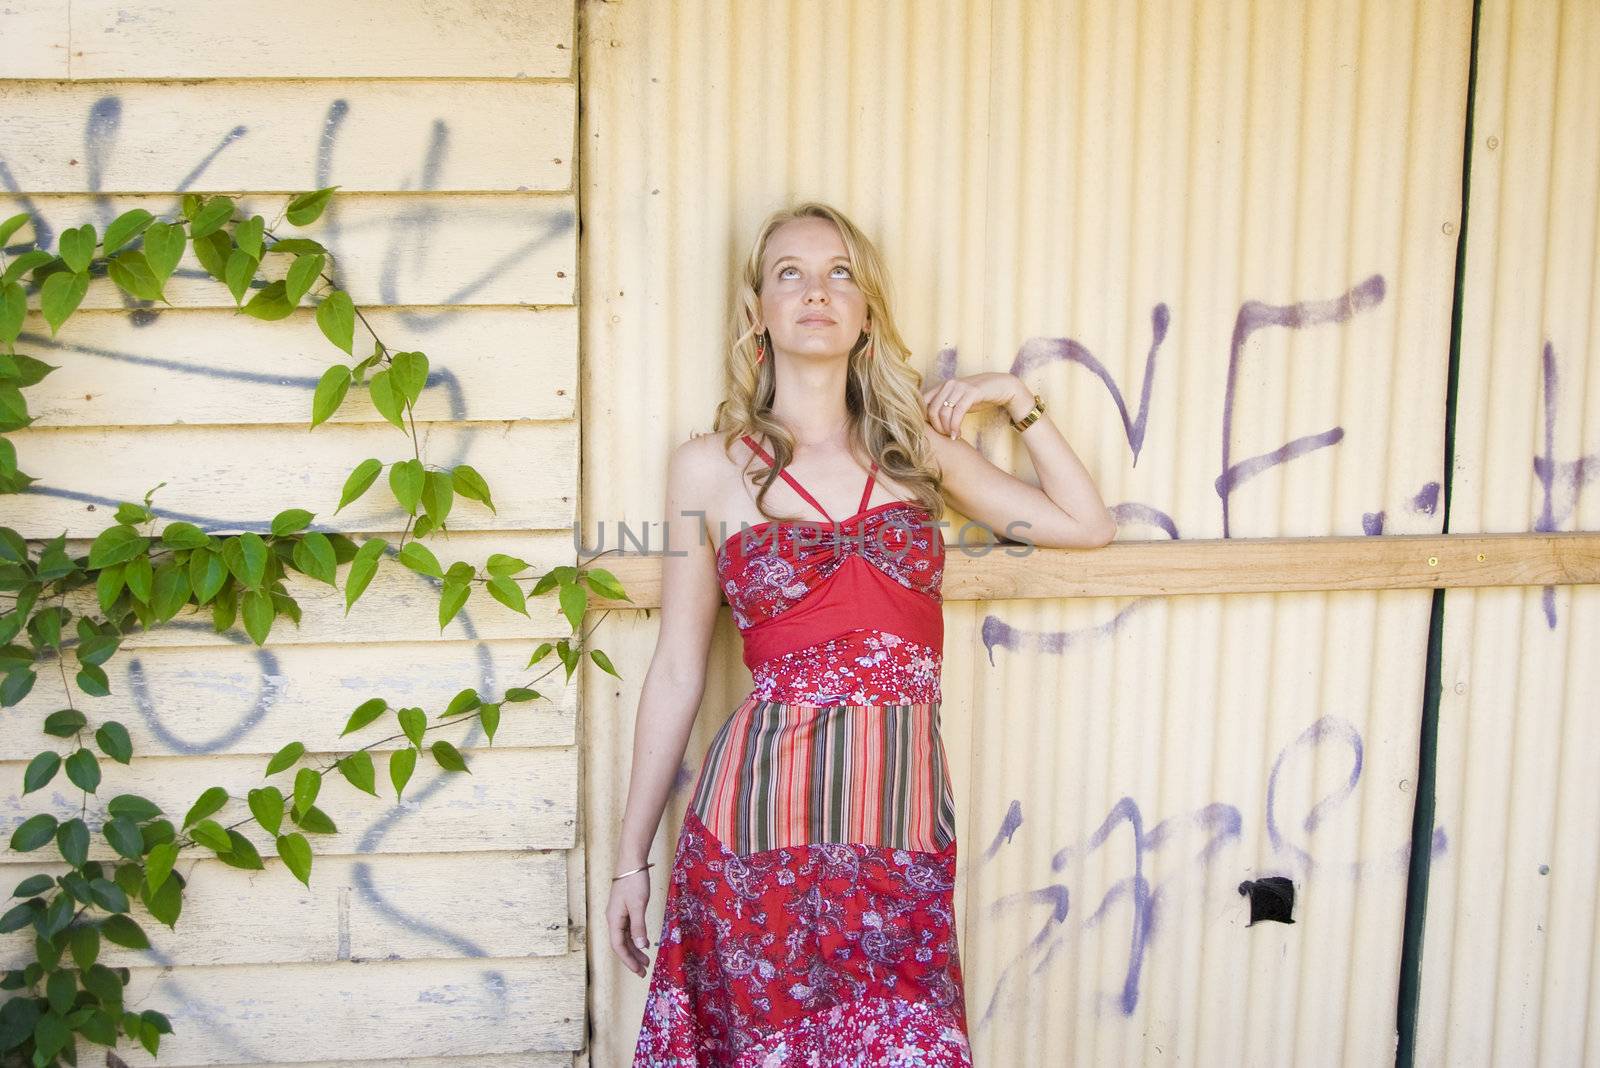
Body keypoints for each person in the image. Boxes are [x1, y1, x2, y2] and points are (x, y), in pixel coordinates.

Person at [610, 201, 1117, 1065]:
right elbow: (675, 673)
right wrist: (630, 860)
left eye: (841, 271)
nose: (817, 290)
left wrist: (1019, 401)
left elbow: (1085, 524)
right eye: (790, 273)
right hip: (755, 827)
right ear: (755, 311)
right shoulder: (709, 466)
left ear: (868, 309)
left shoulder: (915, 448)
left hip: (898, 820)